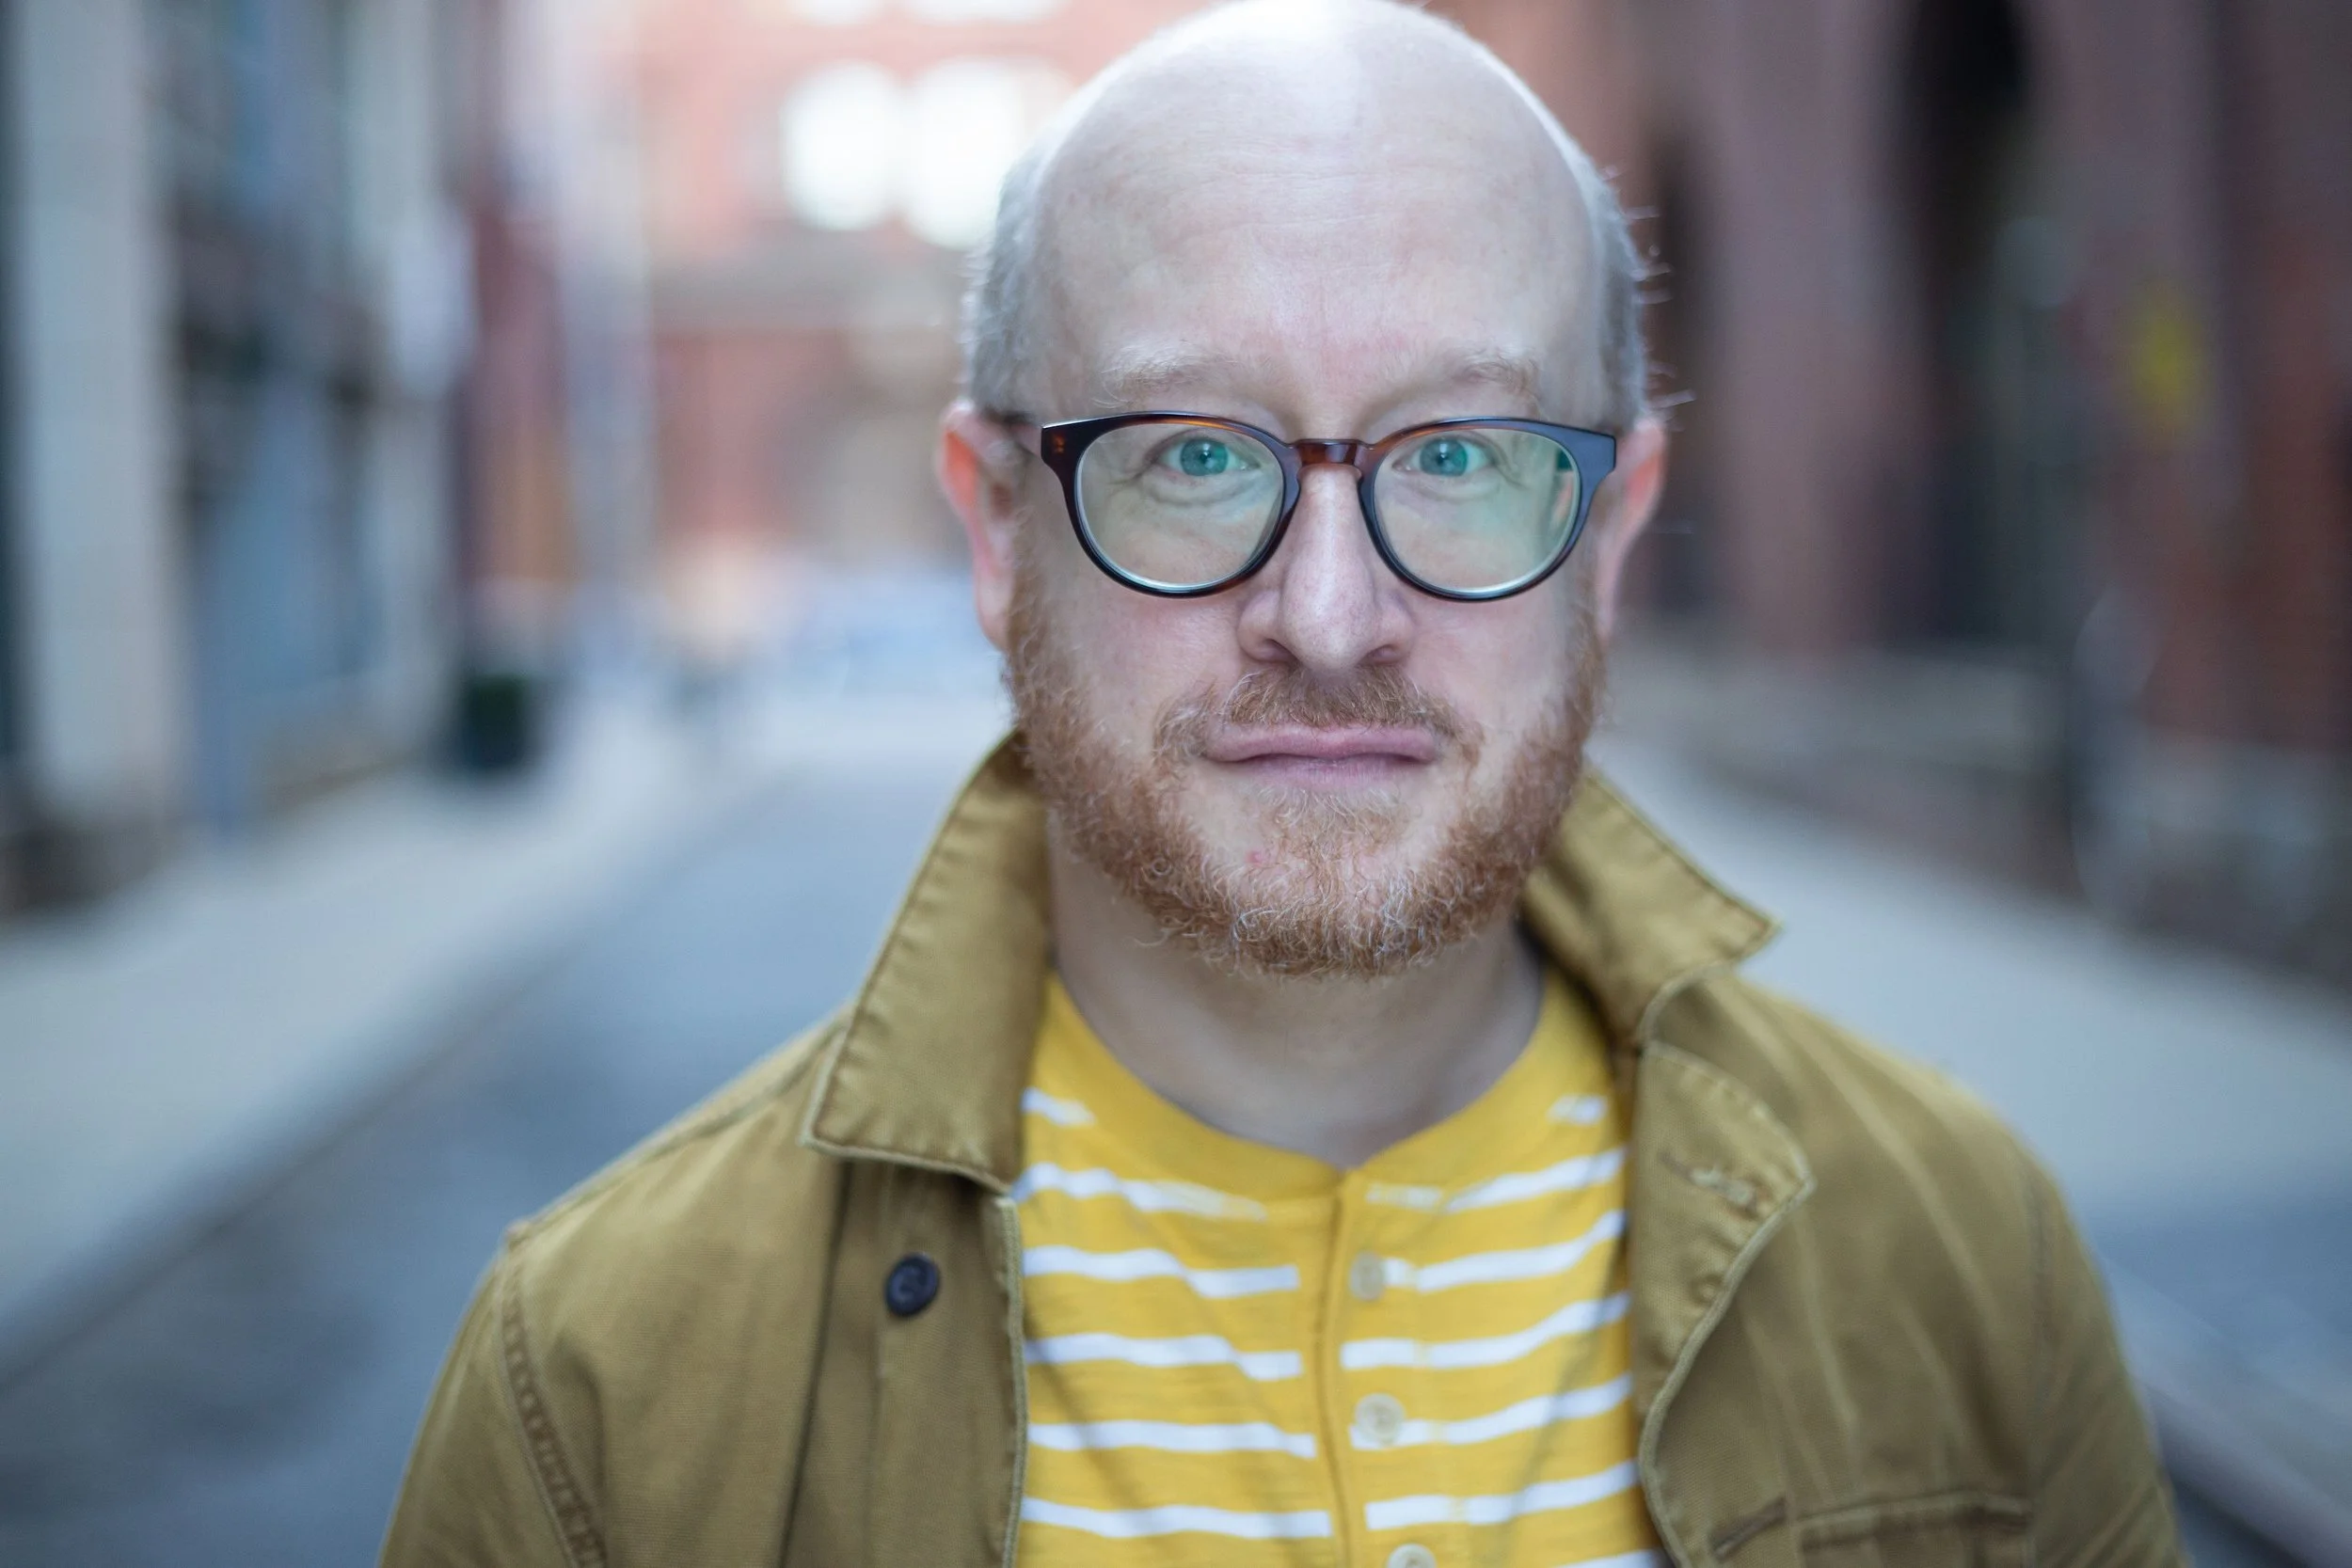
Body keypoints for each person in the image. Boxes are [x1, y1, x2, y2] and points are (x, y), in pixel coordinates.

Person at [382, 3, 2185, 1563]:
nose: (1330, 615)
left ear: (1610, 536)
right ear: (998, 533)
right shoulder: (605, 1378)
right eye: (1189, 457)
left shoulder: (1962, 1251)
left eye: (1462, 452)